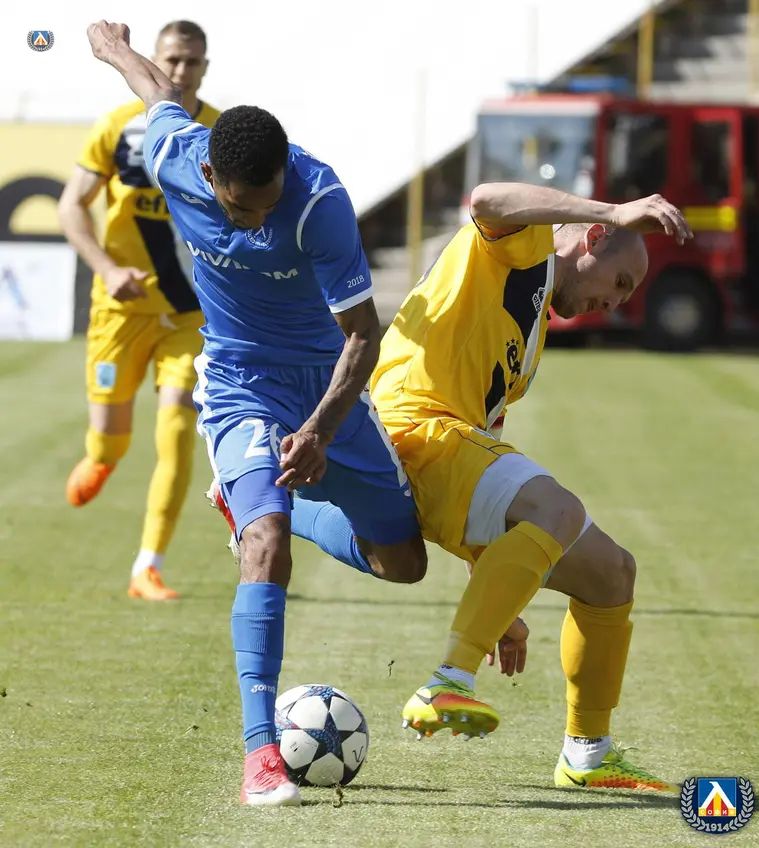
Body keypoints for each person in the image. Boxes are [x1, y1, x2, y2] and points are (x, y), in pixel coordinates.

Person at [85, 20, 427, 808]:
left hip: (324, 384)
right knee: (265, 544)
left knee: (403, 562)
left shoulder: (318, 203)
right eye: (242, 208)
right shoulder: (176, 155)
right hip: (238, 381)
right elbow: (157, 92)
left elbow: (363, 336)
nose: (255, 222)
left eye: (268, 204)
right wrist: (112, 47)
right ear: (208, 173)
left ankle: (262, 503)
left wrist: (319, 431)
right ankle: (260, 755)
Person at [368, 182, 693, 791]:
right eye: (620, 283)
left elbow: (488, 464)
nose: (614, 304)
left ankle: (588, 754)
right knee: (558, 509)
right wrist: (615, 210)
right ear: (591, 238)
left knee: (611, 573)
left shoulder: (532, 333)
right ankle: (449, 683)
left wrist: (500, 596)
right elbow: (485, 198)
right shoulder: (525, 247)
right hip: (412, 426)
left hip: (450, 447)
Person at [59, 21, 219, 601]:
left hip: (188, 314)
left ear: (205, 67)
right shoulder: (117, 127)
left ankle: (147, 566)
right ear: (154, 59)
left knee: (176, 427)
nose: (180, 71)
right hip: (120, 312)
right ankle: (101, 457)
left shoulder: (219, 132)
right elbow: (71, 206)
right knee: (112, 441)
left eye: (192, 62)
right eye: (172, 59)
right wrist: (106, 269)